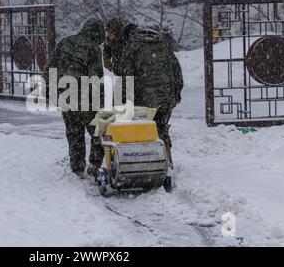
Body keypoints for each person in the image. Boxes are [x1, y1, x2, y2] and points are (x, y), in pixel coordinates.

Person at [120, 24, 183, 192]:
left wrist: (125, 102)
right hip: (166, 96)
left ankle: (146, 169)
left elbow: (126, 77)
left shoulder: (132, 47)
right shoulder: (163, 45)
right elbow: (177, 71)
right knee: (161, 129)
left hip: (145, 99)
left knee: (144, 134)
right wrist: (175, 94)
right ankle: (167, 164)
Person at [42, 18, 106, 179]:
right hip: (85, 97)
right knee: (98, 132)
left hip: (65, 95)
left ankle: (77, 169)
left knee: (74, 132)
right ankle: (94, 165)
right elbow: (96, 78)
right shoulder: (93, 49)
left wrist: (49, 91)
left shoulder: (65, 43)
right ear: (98, 34)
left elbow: (50, 68)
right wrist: (102, 103)